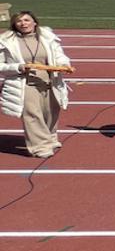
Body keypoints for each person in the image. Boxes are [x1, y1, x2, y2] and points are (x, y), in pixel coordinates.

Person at [0, 11, 74, 158]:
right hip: (24, 82)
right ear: (14, 24)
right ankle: (39, 147)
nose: (23, 23)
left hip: (49, 79)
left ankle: (50, 139)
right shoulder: (6, 41)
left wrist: (64, 64)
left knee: (50, 111)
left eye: (27, 20)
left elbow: (59, 55)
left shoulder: (48, 37)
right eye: (19, 21)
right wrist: (18, 67)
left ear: (35, 22)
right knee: (32, 114)